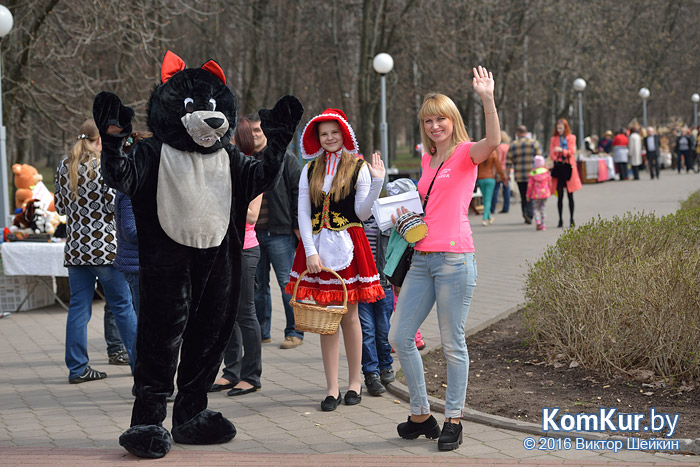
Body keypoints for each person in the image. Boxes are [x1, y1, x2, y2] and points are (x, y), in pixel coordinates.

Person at [388, 66, 499, 452]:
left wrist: (487, 98)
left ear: (453, 121)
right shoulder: (427, 159)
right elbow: (428, 204)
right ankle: (421, 415)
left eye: (441, 119)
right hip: (421, 259)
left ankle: (454, 418)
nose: (435, 126)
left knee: (453, 343)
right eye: (428, 121)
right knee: (399, 335)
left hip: (455, 260)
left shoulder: (467, 154)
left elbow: (495, 140)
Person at [284, 108, 386, 412]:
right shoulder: (309, 169)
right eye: (323, 134)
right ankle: (332, 388)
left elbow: (363, 213)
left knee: (350, 316)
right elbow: (302, 211)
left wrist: (378, 182)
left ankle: (355, 382)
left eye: (334, 132)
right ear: (317, 138)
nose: (329, 138)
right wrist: (310, 251)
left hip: (349, 247)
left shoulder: (359, 167)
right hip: (316, 248)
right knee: (326, 320)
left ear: (344, 133)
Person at [54, 119, 137, 384]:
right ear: (100, 139)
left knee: (78, 308)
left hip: (76, 248)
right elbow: (118, 203)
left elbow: (59, 207)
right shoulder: (106, 166)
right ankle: (141, 365)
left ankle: (77, 368)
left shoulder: (64, 166)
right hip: (107, 248)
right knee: (123, 306)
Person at [211, 117, 264, 396]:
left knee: (245, 312)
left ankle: (251, 375)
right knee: (224, 315)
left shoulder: (254, 169)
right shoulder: (219, 169)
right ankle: (231, 371)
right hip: (221, 246)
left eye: (229, 139)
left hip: (246, 248)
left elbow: (253, 214)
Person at [249, 113, 304, 350]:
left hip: (280, 232)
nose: (254, 135)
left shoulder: (286, 159)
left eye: (257, 131)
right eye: (250, 132)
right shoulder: (245, 159)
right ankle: (262, 332)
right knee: (258, 286)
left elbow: (299, 193)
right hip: (253, 233)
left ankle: (295, 331)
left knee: (287, 283)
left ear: (266, 133)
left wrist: (297, 225)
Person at [104, 131, 152, 367]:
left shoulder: (142, 183)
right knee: (145, 325)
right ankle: (143, 376)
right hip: (137, 265)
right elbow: (131, 232)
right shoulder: (131, 189)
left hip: (145, 264)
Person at [359, 212, 395, 396]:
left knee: (383, 331)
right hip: (361, 286)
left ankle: (386, 367)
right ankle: (370, 374)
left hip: (383, 284)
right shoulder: (354, 218)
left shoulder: (386, 218)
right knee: (367, 332)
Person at [549, 118, 582, 228]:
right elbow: (552, 154)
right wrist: (556, 155)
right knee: (560, 196)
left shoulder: (571, 137)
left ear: (565, 128)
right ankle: (560, 219)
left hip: (569, 166)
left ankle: (572, 218)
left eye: (561, 128)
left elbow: (571, 151)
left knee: (570, 194)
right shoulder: (554, 139)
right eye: (558, 128)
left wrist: (561, 151)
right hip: (559, 167)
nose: (559, 130)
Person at [507, 125, 542, 224]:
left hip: (519, 175)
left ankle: (525, 212)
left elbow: (508, 162)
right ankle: (530, 214)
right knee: (530, 194)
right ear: (526, 133)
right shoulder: (534, 143)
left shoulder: (513, 144)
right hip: (532, 174)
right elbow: (539, 158)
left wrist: (506, 175)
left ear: (518, 133)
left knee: (523, 195)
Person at [476, 147, 508, 226]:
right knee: (488, 199)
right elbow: (498, 167)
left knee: (485, 198)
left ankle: (489, 216)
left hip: (480, 178)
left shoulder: (479, 153)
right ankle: (484, 218)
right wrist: (503, 177)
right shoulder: (493, 153)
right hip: (490, 178)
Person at [526, 155, 552, 231]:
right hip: (545, 194)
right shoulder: (546, 172)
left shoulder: (533, 173)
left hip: (535, 194)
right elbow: (549, 183)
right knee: (543, 209)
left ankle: (538, 222)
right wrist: (550, 190)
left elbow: (530, 186)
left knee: (535, 209)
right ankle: (543, 225)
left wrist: (528, 195)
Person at [491, 130, 511, 215]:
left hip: (500, 169)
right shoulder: (508, 146)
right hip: (507, 169)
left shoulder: (499, 147)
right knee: (506, 188)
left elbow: (498, 160)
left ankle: (492, 208)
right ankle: (506, 207)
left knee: (496, 189)